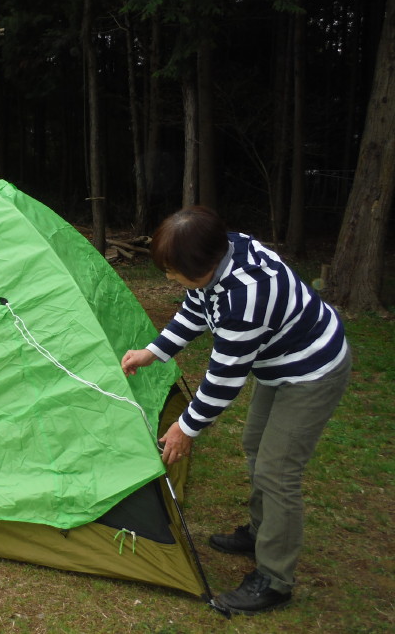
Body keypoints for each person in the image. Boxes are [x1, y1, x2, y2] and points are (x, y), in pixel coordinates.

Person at [121, 206, 349, 616]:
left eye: (174, 272)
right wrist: (154, 352)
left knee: (277, 471)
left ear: (205, 263)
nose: (169, 279)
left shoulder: (246, 296)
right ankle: (263, 533)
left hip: (312, 371)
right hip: (279, 366)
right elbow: (196, 309)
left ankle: (275, 580)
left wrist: (186, 428)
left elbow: (225, 378)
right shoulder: (220, 253)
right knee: (255, 445)